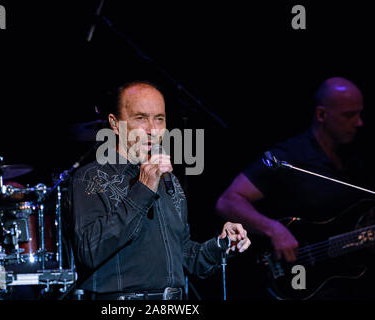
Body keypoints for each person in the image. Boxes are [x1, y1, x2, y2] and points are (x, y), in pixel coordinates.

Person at [70, 80, 251, 300]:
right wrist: (143, 189)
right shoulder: (92, 177)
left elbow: (183, 253)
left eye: (159, 119)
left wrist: (221, 245)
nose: (152, 130)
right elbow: (90, 250)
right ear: (115, 124)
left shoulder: (169, 180)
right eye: (140, 118)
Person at [216, 77, 375, 299]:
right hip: (302, 286)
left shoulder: (359, 157)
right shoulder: (289, 157)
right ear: (322, 115)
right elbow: (229, 201)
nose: (359, 123)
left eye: (360, 113)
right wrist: (274, 229)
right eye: (349, 115)